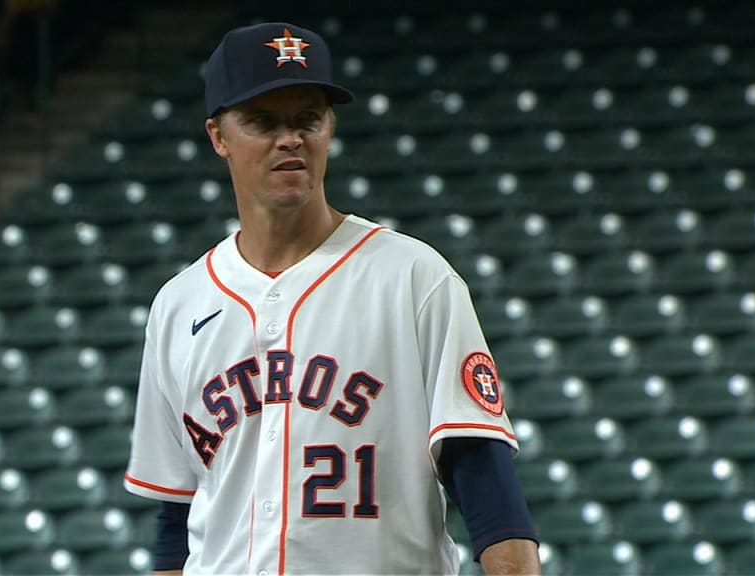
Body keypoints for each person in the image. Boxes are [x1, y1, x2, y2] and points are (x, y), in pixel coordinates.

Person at [123, 21, 541, 575]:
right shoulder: (178, 305)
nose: (289, 138)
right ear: (218, 136)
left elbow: (484, 478)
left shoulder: (414, 278)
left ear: (330, 128)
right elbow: (176, 518)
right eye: (262, 121)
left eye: (307, 119)